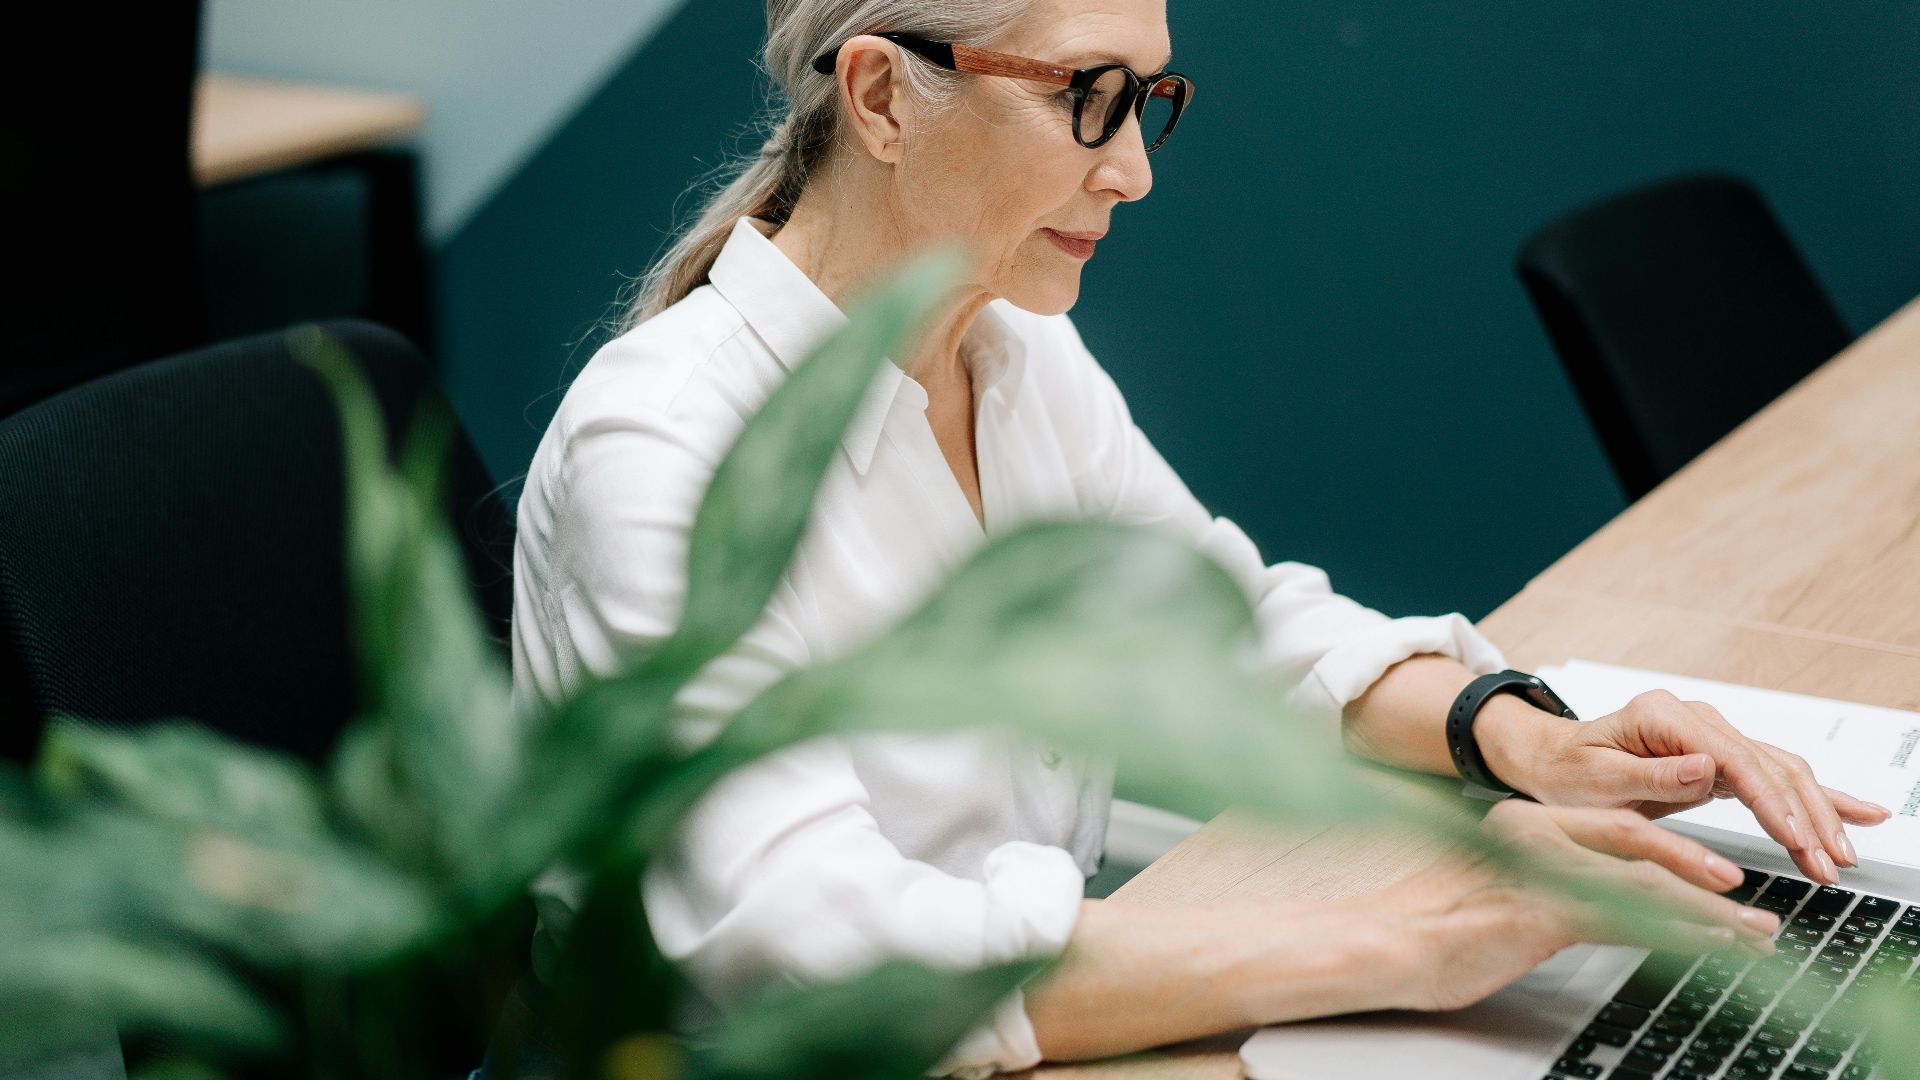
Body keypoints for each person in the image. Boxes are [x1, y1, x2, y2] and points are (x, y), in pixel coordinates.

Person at [505, 0, 1891, 1074]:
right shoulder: (665, 454)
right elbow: (821, 960)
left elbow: (1229, 628)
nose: (1133, 175)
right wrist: (1392, 941)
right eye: (1085, 102)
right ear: (878, 96)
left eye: (1147, 103)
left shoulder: (1009, 354)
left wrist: (1523, 734)